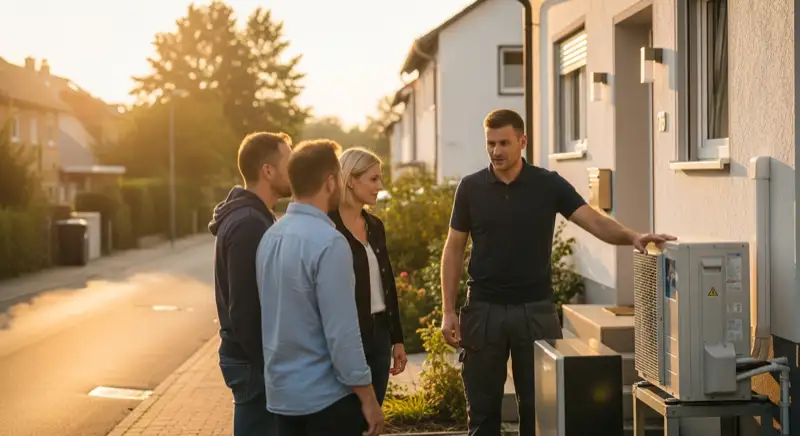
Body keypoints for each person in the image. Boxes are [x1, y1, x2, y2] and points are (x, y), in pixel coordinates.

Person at [439, 109, 676, 436]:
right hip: (483, 311)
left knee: (541, 411)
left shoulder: (547, 185)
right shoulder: (470, 188)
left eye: (504, 143)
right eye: (490, 144)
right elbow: (453, 249)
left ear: (522, 141)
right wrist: (448, 310)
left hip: (535, 311)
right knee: (482, 414)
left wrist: (633, 236)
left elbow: (593, 220)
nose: (496, 151)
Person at [255, 139, 384, 436]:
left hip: (282, 398)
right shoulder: (330, 242)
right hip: (326, 401)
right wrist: (367, 396)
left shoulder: (271, 237)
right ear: (329, 182)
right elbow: (342, 332)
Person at [208, 131, 292, 436]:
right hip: (252, 361)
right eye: (289, 161)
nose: (294, 170)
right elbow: (244, 308)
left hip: (251, 358)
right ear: (267, 170)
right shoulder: (249, 224)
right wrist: (269, 364)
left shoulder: (256, 217)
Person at [328, 147, 407, 405]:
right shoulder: (327, 227)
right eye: (373, 179)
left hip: (380, 334)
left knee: (374, 417)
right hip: (348, 337)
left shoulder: (375, 226)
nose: (380, 186)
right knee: (348, 416)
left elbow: (387, 282)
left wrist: (397, 339)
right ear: (351, 180)